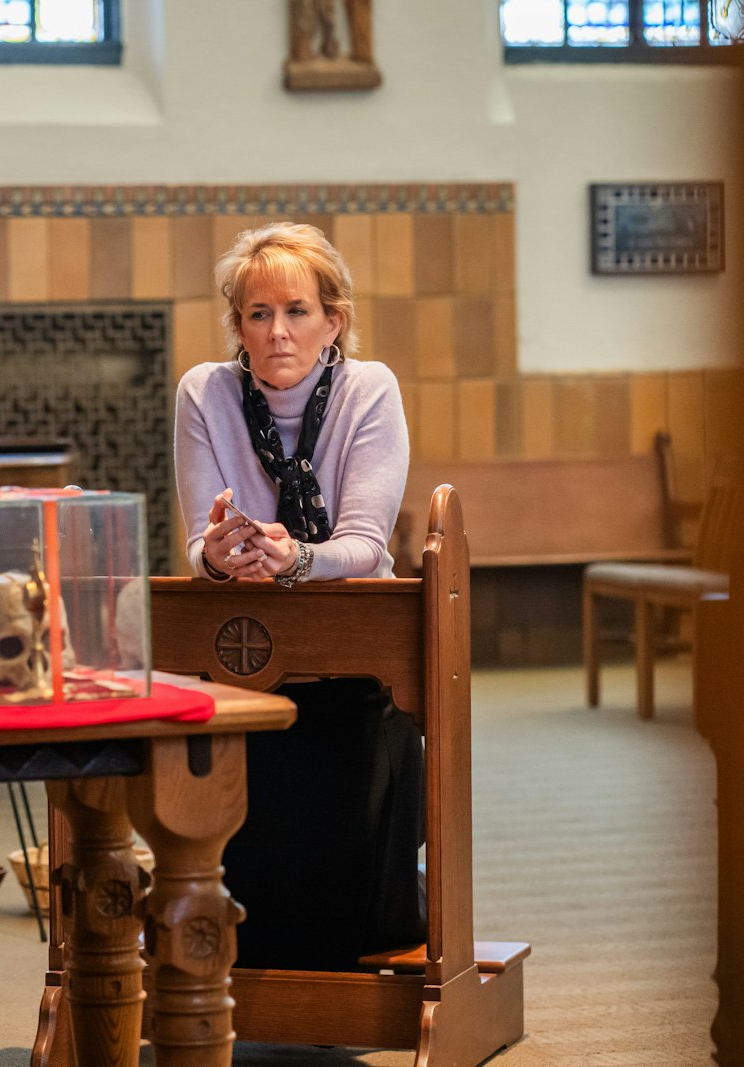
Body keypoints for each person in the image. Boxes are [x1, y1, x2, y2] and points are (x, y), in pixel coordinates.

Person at [173, 221, 424, 971]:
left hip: (351, 662)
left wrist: (295, 558)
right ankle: (239, 954)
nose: (278, 331)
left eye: (297, 311)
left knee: (340, 782)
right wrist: (217, 556)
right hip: (241, 652)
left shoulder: (368, 388)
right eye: (258, 314)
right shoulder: (204, 391)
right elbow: (196, 545)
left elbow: (365, 547)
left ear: (332, 322)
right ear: (239, 327)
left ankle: (344, 952)